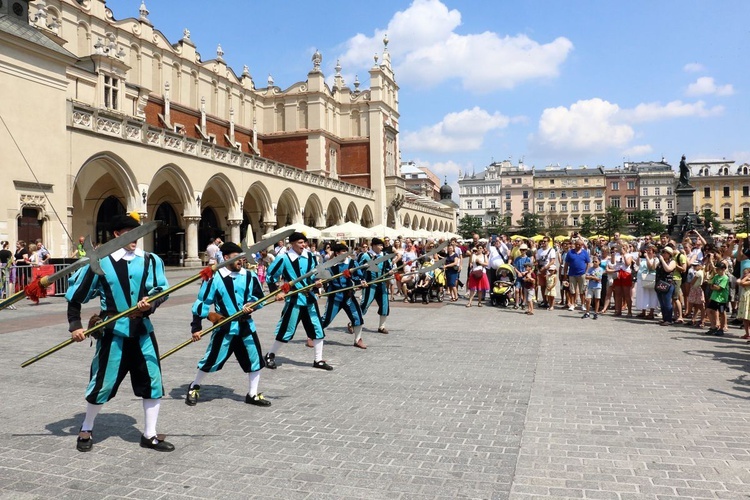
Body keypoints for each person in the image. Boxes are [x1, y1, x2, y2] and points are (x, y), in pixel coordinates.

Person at [66, 212, 173, 453]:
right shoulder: (100, 262)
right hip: (112, 332)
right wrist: (75, 326)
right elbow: (75, 297)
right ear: (117, 234)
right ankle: (87, 427)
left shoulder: (150, 260)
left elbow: (161, 290)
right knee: (102, 382)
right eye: (130, 233)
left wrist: (151, 302)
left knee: (152, 380)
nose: (136, 238)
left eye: (139, 233)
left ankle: (150, 434)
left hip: (143, 330)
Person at [186, 242, 273, 408]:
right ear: (226, 258)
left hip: (246, 327)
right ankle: (194, 386)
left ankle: (252, 394)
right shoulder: (214, 278)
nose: (241, 261)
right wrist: (196, 328)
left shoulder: (249, 276)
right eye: (236, 258)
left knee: (255, 360)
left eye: (242, 258)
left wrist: (252, 304)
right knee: (211, 359)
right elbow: (201, 303)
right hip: (224, 327)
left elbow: (258, 297)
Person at [264, 232, 331, 370]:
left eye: (304, 242)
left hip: (309, 299)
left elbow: (316, 274)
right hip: (294, 299)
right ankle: (270, 355)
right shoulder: (283, 258)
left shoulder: (311, 256)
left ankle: (318, 360)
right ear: (292, 244)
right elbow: (270, 275)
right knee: (286, 329)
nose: (304, 245)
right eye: (300, 242)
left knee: (317, 328)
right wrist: (276, 293)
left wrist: (318, 282)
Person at [320, 243, 367, 349]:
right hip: (335, 297)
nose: (346, 254)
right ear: (337, 253)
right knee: (326, 319)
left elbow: (358, 275)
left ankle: (358, 339)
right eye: (343, 252)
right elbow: (322, 278)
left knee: (358, 317)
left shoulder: (352, 263)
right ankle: (312, 336)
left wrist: (361, 282)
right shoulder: (330, 265)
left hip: (349, 295)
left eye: (346, 252)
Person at [358, 237, 393, 334]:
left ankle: (381, 326)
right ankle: (354, 322)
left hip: (382, 283)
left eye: (382, 245)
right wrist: (361, 280)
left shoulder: (385, 256)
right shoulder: (365, 256)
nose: (381, 247)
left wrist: (390, 272)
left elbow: (388, 268)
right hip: (370, 284)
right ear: (373, 246)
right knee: (365, 304)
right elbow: (358, 269)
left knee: (384, 305)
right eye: (379, 245)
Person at [564, 238, 590, 311]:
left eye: (580, 244)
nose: (578, 246)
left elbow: (588, 263)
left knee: (582, 290)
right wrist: (565, 273)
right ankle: (572, 304)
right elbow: (566, 263)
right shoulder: (570, 252)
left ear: (582, 245)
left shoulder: (585, 252)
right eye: (577, 244)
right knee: (572, 290)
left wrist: (586, 272)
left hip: (582, 274)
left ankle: (582, 304)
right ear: (575, 245)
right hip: (572, 274)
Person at [706, 261, 730, 336]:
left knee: (722, 313)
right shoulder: (716, 276)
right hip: (714, 297)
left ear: (723, 269)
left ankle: (721, 328)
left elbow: (719, 288)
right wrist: (714, 287)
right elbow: (711, 286)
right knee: (709, 310)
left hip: (722, 299)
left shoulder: (725, 278)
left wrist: (715, 287)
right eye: (716, 269)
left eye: (718, 269)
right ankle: (713, 326)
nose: (716, 270)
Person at [655, 247, 677, 326]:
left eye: (665, 252)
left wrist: (662, 261)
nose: (663, 254)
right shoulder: (661, 262)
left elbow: (668, 269)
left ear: (669, 254)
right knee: (662, 302)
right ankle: (664, 318)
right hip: (659, 283)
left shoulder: (673, 262)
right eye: (663, 252)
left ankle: (669, 319)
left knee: (667, 302)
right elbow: (654, 267)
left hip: (668, 284)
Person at [737, 267, 750, 340]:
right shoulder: (744, 278)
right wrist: (743, 277)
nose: (744, 274)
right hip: (744, 299)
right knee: (745, 318)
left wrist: (747, 277)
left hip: (749, 299)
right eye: (743, 273)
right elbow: (738, 281)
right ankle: (747, 333)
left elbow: (741, 283)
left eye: (746, 273)